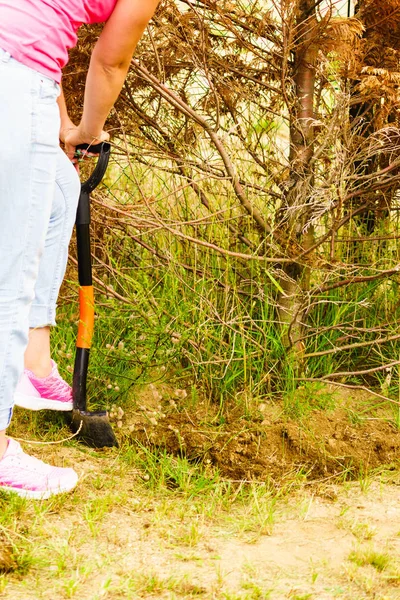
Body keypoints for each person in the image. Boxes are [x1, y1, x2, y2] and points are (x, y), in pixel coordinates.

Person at [0, 0, 160, 499]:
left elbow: (34, 38)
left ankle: (35, 360)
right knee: (12, 270)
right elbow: (110, 61)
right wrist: (88, 131)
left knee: (61, 191)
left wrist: (59, 124)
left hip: (22, 73)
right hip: (15, 82)